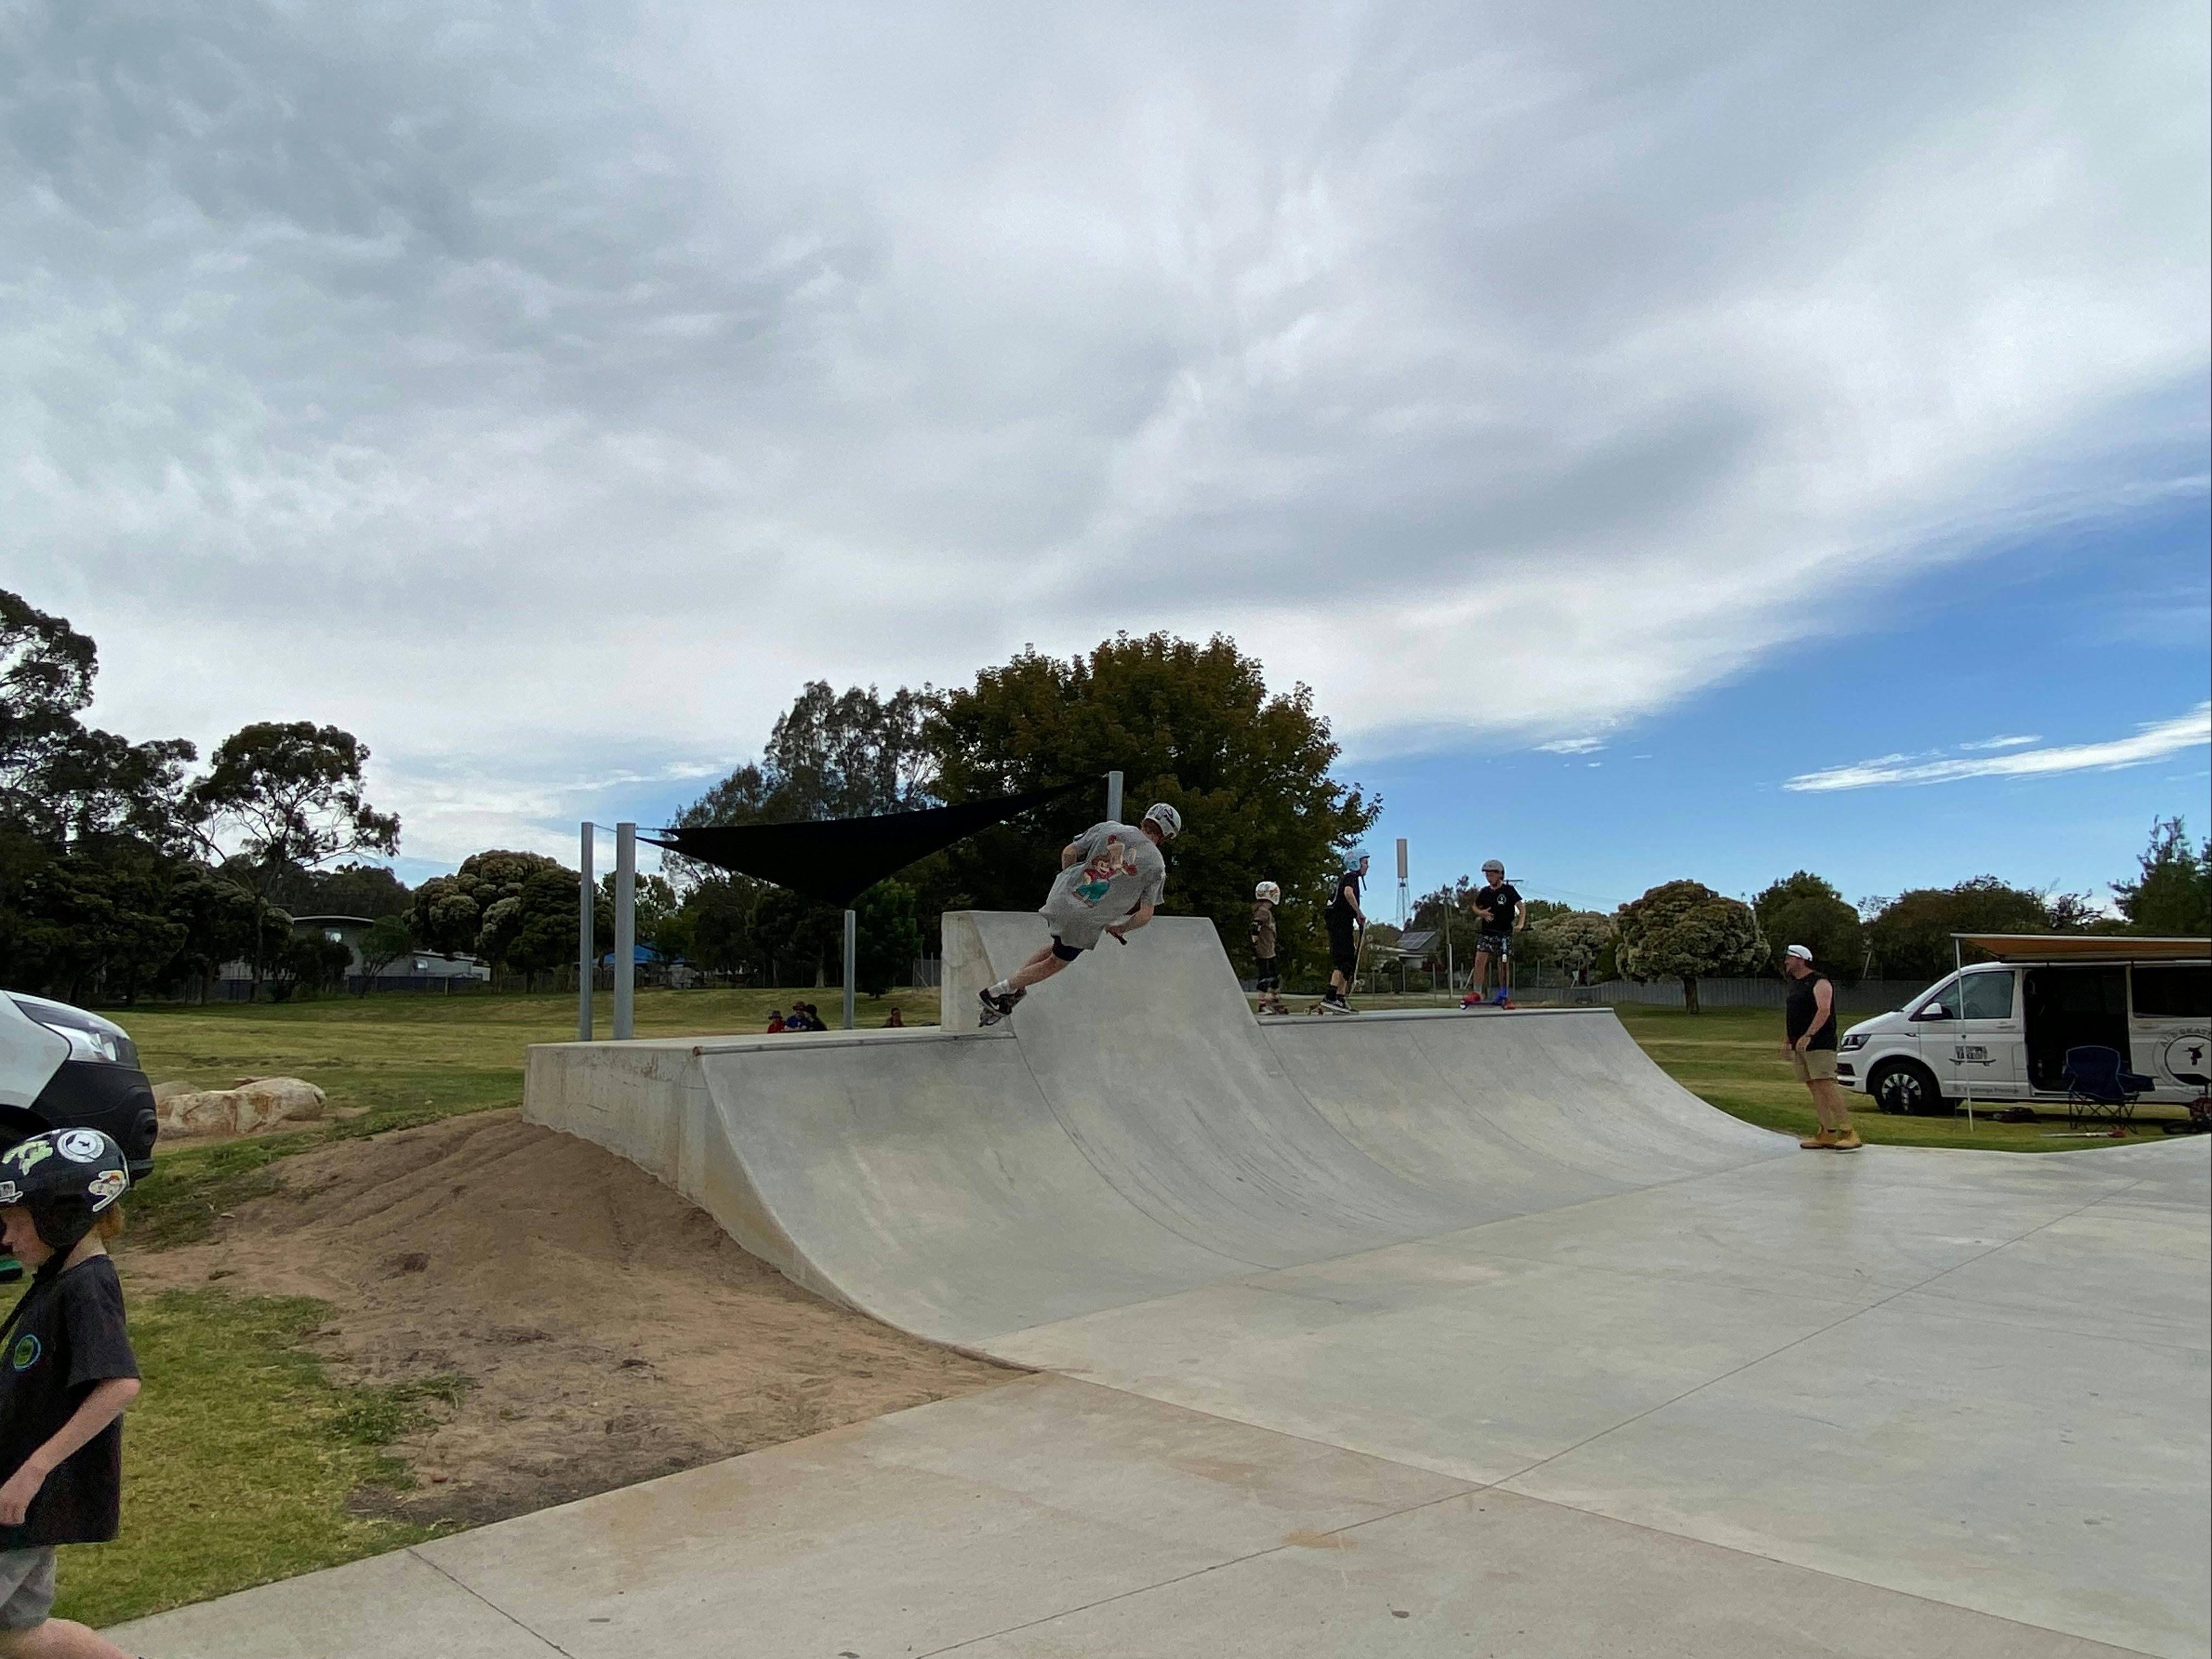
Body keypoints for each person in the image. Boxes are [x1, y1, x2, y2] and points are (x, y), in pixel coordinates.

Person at [0, 1129, 142, 1659]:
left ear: (61, 1213)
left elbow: (120, 1385)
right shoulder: (59, 1280)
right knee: (20, 1638)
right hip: (21, 1502)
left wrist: (33, 1471)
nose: (7, 1239)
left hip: (20, 1502)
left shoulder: (86, 1288)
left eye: (16, 1222)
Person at [978, 803, 1181, 1025]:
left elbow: (1069, 852)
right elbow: (1146, 914)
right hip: (1085, 918)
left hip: (1061, 898)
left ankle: (1016, 988)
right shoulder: (1156, 866)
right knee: (1057, 962)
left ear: (1146, 819)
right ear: (1167, 835)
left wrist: (1068, 878)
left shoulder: (1109, 828)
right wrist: (1121, 928)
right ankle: (998, 992)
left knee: (1056, 947)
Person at [1783, 945, 1859, 1150]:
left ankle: (1849, 1131)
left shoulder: (1820, 981)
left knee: (1825, 1084)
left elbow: (1824, 1010)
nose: (1786, 962)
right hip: (1801, 1045)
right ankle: (1827, 1132)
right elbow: (1794, 1015)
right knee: (1814, 1086)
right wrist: (1789, 1041)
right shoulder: (1796, 984)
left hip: (1819, 1044)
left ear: (1801, 960)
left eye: (1789, 958)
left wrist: (1809, 1035)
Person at [1460, 859, 1525, 1009]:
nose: (1489, 878)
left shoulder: (1509, 891)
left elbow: (1522, 908)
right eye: (1487, 875)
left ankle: (1504, 994)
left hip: (1504, 934)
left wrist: (1520, 924)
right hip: (1487, 932)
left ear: (1500, 875)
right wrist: (1481, 913)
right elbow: (1475, 907)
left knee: (1503, 964)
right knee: (1479, 960)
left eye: (1492, 875)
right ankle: (1477, 992)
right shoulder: (1485, 892)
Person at [1319, 850, 1370, 1014]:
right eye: (1365, 863)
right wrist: (1359, 913)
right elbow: (1348, 894)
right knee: (1342, 960)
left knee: (1349, 961)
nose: (1367, 866)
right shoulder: (1351, 878)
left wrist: (1355, 917)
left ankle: (1340, 1000)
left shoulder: (1350, 879)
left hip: (1343, 923)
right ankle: (1331, 996)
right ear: (1356, 863)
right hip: (1340, 925)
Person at [1250, 882, 1288, 1016]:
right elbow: (1256, 926)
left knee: (1274, 977)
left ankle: (1274, 1002)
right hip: (1264, 950)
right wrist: (1255, 945)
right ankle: (1262, 1005)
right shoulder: (1263, 911)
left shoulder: (1266, 911)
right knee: (1265, 978)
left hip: (1269, 949)